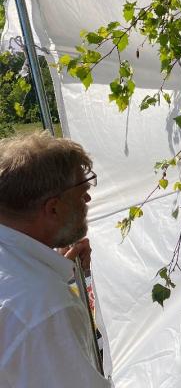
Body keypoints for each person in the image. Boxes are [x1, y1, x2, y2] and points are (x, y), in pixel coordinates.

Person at [0, 132, 110, 387]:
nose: (88, 199)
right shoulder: (46, 305)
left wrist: (51, 269)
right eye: (82, 191)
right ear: (53, 208)